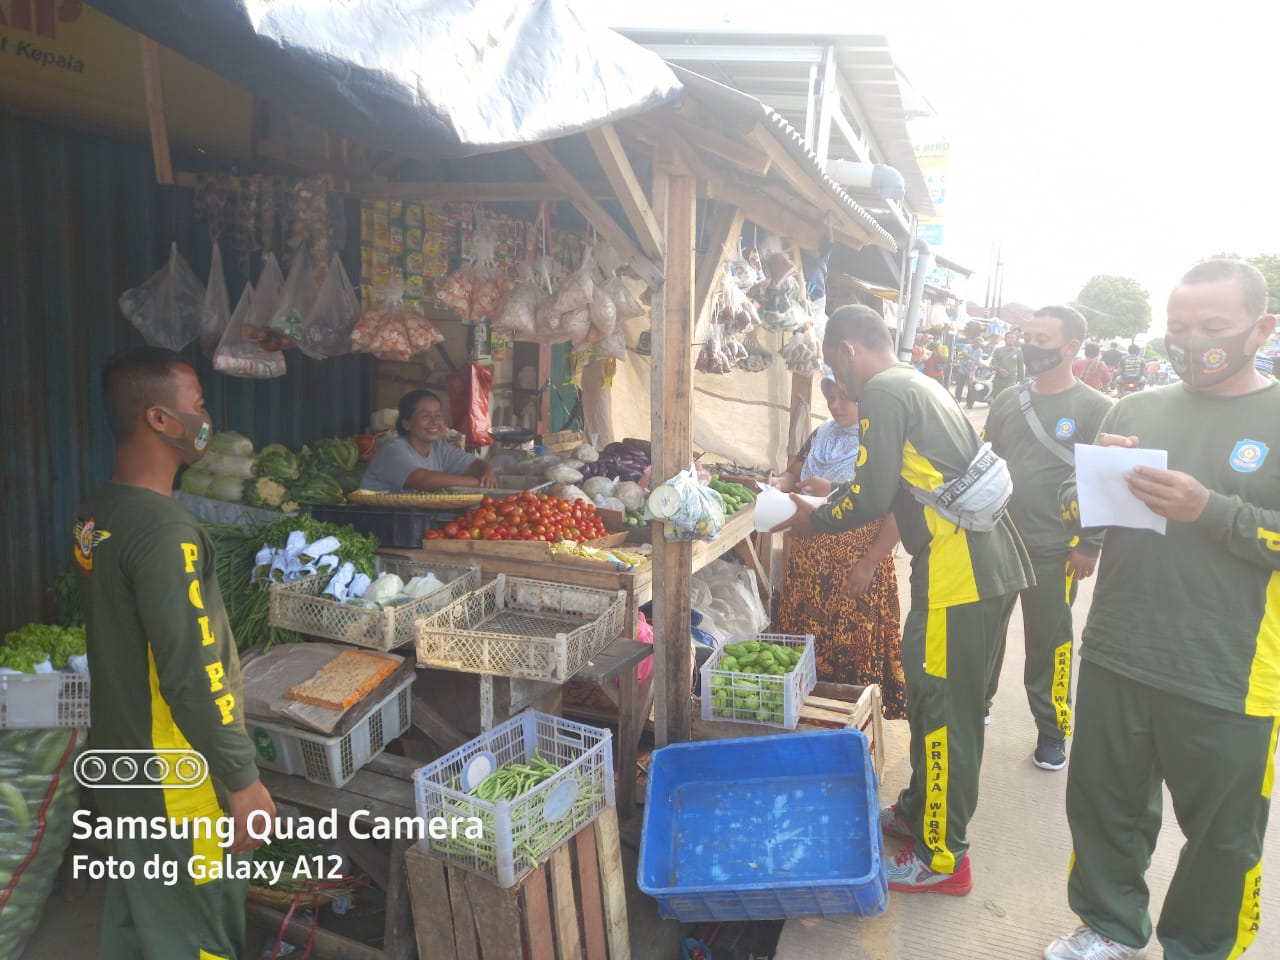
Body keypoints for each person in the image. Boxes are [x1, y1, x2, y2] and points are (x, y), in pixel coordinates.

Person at [1046, 260, 1280, 960]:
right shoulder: (1137, 409)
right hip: (1121, 645)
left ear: (1260, 329)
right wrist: (1092, 478)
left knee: (1222, 834)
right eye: (1179, 328)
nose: (1192, 341)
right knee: (1104, 805)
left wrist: (1212, 511)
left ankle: (1200, 947)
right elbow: (1072, 511)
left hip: (1229, 671)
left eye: (1213, 327)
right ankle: (1108, 926)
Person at [775, 305, 1033, 897]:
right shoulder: (920, 380)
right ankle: (918, 811)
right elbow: (897, 486)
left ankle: (944, 857)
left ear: (846, 350)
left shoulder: (886, 390)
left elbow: (869, 496)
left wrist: (811, 520)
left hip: (959, 575)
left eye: (834, 365)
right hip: (972, 566)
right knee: (930, 701)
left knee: (945, 714)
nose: (842, 384)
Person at [76, 346, 275, 960]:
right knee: (196, 928)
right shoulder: (164, 531)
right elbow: (193, 669)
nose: (206, 417)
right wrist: (240, 781)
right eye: (198, 404)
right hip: (175, 774)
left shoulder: (100, 512)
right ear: (160, 419)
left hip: (123, 757)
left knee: (145, 913)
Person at [981, 306, 1112, 771]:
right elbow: (986, 461)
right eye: (1028, 336)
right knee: (985, 632)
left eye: (1042, 338)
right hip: (996, 540)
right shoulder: (1006, 400)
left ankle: (1052, 730)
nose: (1030, 346)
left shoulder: (1096, 408)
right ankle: (980, 704)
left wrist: (1089, 542)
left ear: (1071, 347)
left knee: (1050, 642)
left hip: (1056, 550)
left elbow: (1103, 480)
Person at [773, 375, 906, 718]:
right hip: (808, 571)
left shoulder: (880, 443)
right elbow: (793, 471)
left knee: (851, 646)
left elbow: (897, 508)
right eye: (831, 397)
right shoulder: (822, 434)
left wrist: (870, 563)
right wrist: (780, 483)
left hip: (854, 571)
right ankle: (806, 717)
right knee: (805, 649)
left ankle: (852, 723)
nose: (835, 406)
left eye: (844, 398)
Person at [362, 389, 497, 492]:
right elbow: (424, 481)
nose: (434, 422)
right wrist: (476, 482)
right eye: (425, 416)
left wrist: (487, 471)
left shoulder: (439, 447)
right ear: (406, 424)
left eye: (438, 415)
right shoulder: (393, 449)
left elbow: (473, 464)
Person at [990, 330, 1026, 398]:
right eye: (1008, 337)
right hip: (998, 380)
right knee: (997, 399)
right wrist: (999, 369)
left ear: (1015, 339)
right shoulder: (998, 350)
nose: (1010, 339)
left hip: (1011, 380)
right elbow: (992, 364)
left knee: (1008, 398)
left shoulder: (1018, 351)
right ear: (1005, 339)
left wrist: (1022, 381)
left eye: (1012, 337)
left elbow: (1020, 368)